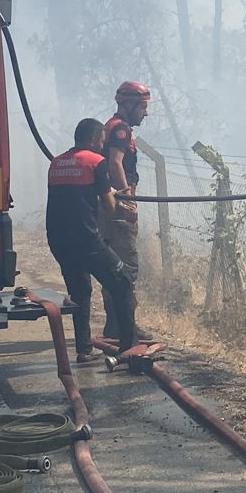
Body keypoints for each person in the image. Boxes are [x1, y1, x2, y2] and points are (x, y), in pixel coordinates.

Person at [44, 118, 134, 359]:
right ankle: (129, 349)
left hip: (59, 241)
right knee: (122, 283)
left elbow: (76, 194)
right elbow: (109, 207)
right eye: (102, 140)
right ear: (95, 139)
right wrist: (123, 205)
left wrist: (106, 190)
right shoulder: (96, 161)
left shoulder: (56, 162)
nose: (103, 144)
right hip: (86, 240)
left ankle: (84, 349)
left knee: (80, 292)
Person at [101, 80, 153, 344]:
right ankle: (126, 327)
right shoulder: (120, 130)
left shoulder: (111, 126)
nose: (145, 112)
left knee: (111, 266)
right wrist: (127, 199)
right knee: (126, 267)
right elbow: (115, 163)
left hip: (106, 205)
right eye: (143, 107)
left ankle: (114, 325)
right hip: (118, 206)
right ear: (130, 104)